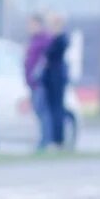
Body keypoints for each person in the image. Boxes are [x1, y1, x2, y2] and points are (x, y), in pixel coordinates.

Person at [39, 14, 71, 148]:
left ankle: (58, 139)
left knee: (57, 109)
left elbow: (51, 54)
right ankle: (53, 138)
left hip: (56, 78)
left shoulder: (61, 40)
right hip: (51, 78)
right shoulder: (55, 39)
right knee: (52, 109)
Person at [23, 14, 52, 147]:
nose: (30, 27)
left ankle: (45, 140)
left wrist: (38, 74)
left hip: (40, 82)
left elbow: (46, 60)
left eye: (32, 24)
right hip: (32, 83)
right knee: (38, 111)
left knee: (43, 111)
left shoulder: (45, 40)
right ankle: (44, 139)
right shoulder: (33, 40)